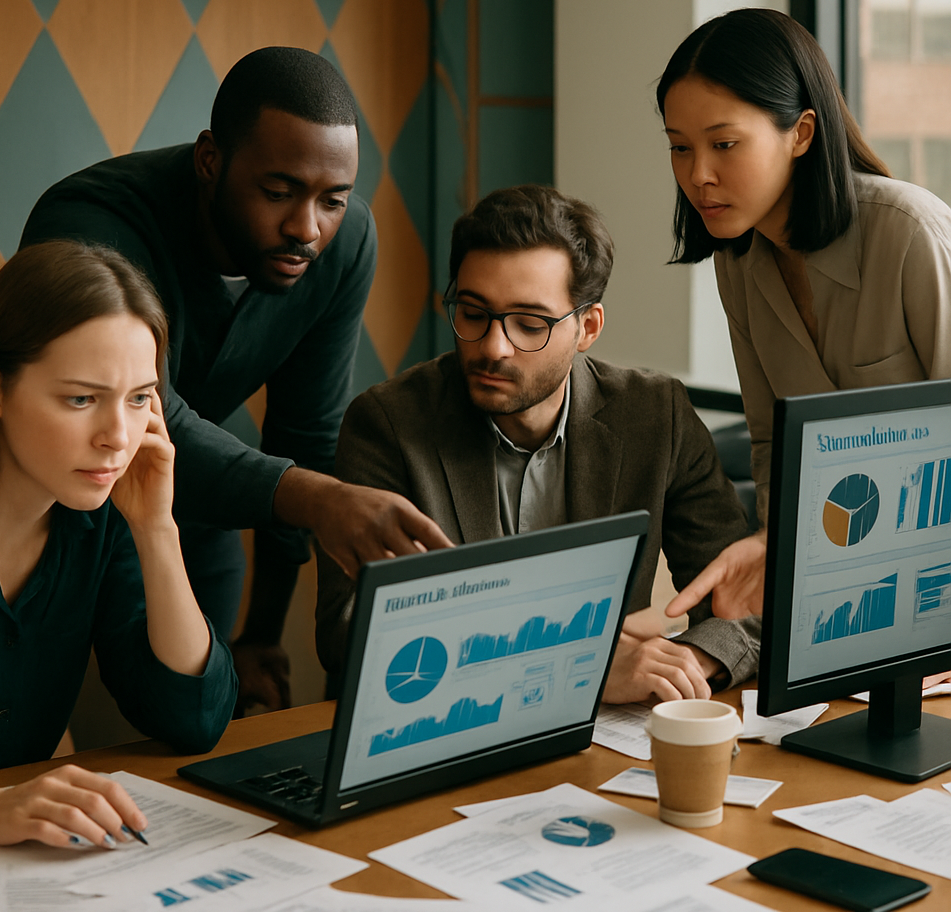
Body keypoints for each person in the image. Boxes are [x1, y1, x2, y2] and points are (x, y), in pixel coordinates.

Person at [21, 47, 451, 712]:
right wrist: (317, 498)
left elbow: (304, 434)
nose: (307, 228)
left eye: (332, 200)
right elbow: (143, 420)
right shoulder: (88, 225)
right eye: (278, 192)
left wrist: (261, 635)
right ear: (210, 161)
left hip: (200, 522)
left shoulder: (344, 244)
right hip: (64, 527)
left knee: (197, 736)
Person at [316, 185, 760, 703]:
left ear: (587, 327)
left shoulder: (655, 415)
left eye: (530, 324)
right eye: (474, 313)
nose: (493, 347)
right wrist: (579, 665)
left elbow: (742, 599)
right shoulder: (388, 425)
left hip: (599, 742)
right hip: (440, 727)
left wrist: (690, 660)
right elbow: (350, 637)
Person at [0, 240, 236, 846]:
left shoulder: (101, 520)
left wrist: (157, 530)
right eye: (81, 398)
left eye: (140, 398)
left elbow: (193, 719)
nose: (117, 438)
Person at [656, 8, 951, 630]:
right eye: (680, 148)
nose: (697, 175)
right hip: (850, 577)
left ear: (802, 132)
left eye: (724, 144)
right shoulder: (736, 260)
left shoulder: (908, 232)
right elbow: (772, 442)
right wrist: (782, 551)